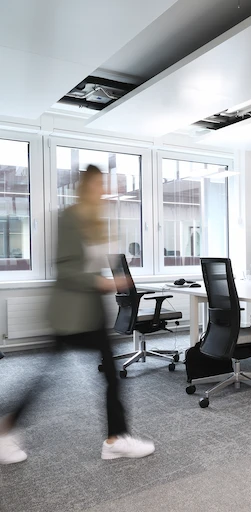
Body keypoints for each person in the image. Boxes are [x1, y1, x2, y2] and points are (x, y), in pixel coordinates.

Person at [0, 165, 155, 465]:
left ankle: (115, 438)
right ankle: (7, 428)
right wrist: (107, 283)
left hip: (89, 311)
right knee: (52, 374)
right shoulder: (70, 217)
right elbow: (68, 270)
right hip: (71, 312)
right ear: (86, 187)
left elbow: (94, 261)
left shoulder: (95, 220)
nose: (103, 190)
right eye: (99, 185)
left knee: (104, 373)